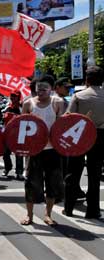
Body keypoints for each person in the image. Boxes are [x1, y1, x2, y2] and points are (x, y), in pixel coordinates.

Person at [20, 75, 66, 226]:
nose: (41, 91)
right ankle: (29, 215)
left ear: (51, 89)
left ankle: (48, 214)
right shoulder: (28, 104)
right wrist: (22, 149)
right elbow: (21, 128)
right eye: (38, 88)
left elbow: (63, 126)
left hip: (52, 150)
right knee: (31, 183)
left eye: (44, 88)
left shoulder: (57, 102)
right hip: (34, 151)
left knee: (52, 183)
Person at [64, 66, 104, 219]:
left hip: (79, 135)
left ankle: (68, 208)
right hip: (100, 137)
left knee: (73, 173)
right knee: (94, 174)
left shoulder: (78, 96)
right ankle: (93, 210)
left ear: (87, 79)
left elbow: (68, 117)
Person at [2, 91, 24, 180]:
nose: (13, 98)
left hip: (19, 134)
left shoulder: (22, 108)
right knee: (5, 153)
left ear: (19, 98)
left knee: (19, 154)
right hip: (8, 134)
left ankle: (19, 172)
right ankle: (7, 168)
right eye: (12, 96)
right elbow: (2, 119)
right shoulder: (7, 107)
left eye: (15, 96)